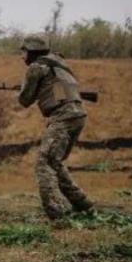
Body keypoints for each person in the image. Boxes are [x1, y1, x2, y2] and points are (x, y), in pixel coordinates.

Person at [17, 35, 93, 220]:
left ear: (33, 51)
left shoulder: (37, 67)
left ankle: (56, 212)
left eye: (24, 51)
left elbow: (25, 100)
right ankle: (82, 204)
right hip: (77, 116)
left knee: (44, 164)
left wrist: (27, 89)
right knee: (55, 162)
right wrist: (42, 91)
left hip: (63, 118)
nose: (22, 56)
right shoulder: (57, 64)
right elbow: (59, 93)